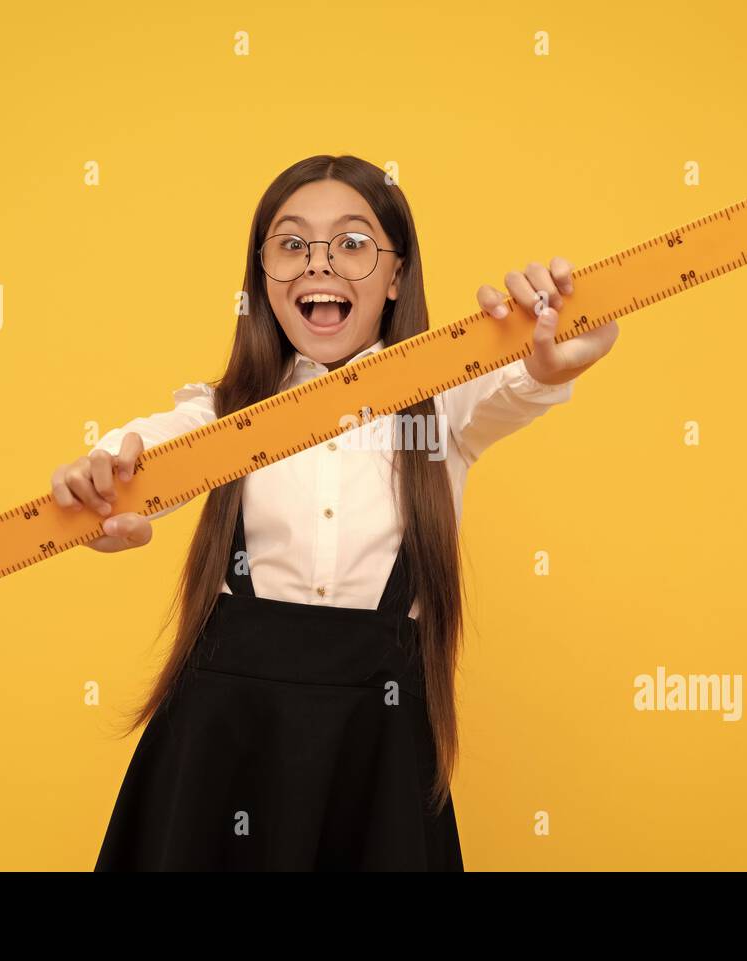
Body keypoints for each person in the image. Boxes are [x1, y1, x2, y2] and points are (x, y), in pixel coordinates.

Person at [51, 154, 620, 870]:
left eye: (352, 244)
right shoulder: (223, 414)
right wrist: (96, 486)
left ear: (396, 277)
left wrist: (558, 353)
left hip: (375, 750)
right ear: (263, 280)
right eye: (291, 245)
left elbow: (528, 376)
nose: (318, 265)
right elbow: (134, 457)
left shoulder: (445, 406)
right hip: (221, 748)